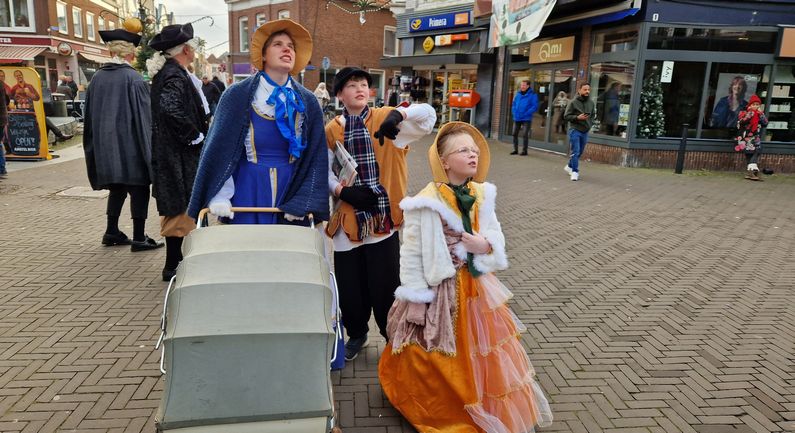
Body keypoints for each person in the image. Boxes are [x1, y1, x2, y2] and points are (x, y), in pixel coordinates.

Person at [378, 121, 554, 433]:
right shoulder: (425, 201)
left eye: (474, 151)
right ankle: (441, 409)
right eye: (463, 151)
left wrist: (485, 244)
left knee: (484, 349)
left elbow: (496, 234)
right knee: (431, 351)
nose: (472, 155)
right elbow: (412, 252)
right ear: (444, 161)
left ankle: (484, 404)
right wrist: (416, 299)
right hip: (439, 287)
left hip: (476, 287)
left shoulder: (482, 194)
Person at [326, 67, 435, 361]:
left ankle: (392, 335)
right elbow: (323, 170)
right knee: (351, 285)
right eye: (351, 85)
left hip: (383, 219)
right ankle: (357, 333)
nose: (360, 89)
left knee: (385, 284)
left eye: (364, 84)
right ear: (339, 94)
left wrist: (401, 115)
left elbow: (429, 116)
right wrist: (341, 191)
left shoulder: (387, 117)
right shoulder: (332, 129)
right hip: (348, 219)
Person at [188, 19, 329, 227]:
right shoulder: (237, 95)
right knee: (249, 254)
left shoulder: (307, 101)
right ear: (263, 54)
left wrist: (303, 200)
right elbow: (220, 150)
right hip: (248, 190)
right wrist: (220, 195)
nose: (286, 50)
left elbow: (316, 157)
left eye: (291, 46)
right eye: (278, 44)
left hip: (291, 191)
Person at [83, 28, 163, 252]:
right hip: (131, 147)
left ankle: (111, 231)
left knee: (116, 188)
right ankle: (139, 237)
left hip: (105, 148)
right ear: (131, 53)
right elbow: (145, 119)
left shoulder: (97, 78)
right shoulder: (134, 79)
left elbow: (88, 116)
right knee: (139, 188)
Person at [147, 23, 209, 281]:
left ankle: (177, 262)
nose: (194, 50)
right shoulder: (174, 75)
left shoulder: (171, 72)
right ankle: (173, 265)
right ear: (185, 49)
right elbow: (170, 109)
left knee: (179, 207)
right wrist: (193, 136)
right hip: (177, 157)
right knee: (180, 209)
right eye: (192, 46)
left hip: (173, 155)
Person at [563, 82, 595, 181]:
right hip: (575, 130)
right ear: (579, 90)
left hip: (585, 131)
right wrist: (577, 117)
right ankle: (575, 172)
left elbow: (593, 115)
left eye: (588, 90)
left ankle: (569, 166)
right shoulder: (573, 102)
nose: (587, 91)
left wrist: (590, 124)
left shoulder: (591, 103)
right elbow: (566, 116)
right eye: (585, 89)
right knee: (575, 151)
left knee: (580, 152)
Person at [734, 94, 768, 181]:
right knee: (751, 153)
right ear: (750, 105)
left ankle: (751, 172)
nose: (756, 106)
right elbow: (743, 121)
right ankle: (752, 172)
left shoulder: (759, 114)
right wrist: (751, 113)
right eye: (754, 104)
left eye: (757, 105)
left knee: (755, 152)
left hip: (755, 137)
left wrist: (761, 114)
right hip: (746, 137)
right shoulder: (744, 113)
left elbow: (765, 123)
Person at [510, 80, 537, 155]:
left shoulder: (533, 95)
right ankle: (515, 150)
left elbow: (534, 106)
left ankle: (524, 151)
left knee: (525, 134)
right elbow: (514, 104)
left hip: (526, 118)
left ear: (528, 86)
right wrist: (514, 112)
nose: (522, 86)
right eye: (521, 85)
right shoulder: (517, 94)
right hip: (517, 117)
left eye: (524, 85)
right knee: (514, 134)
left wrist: (525, 113)